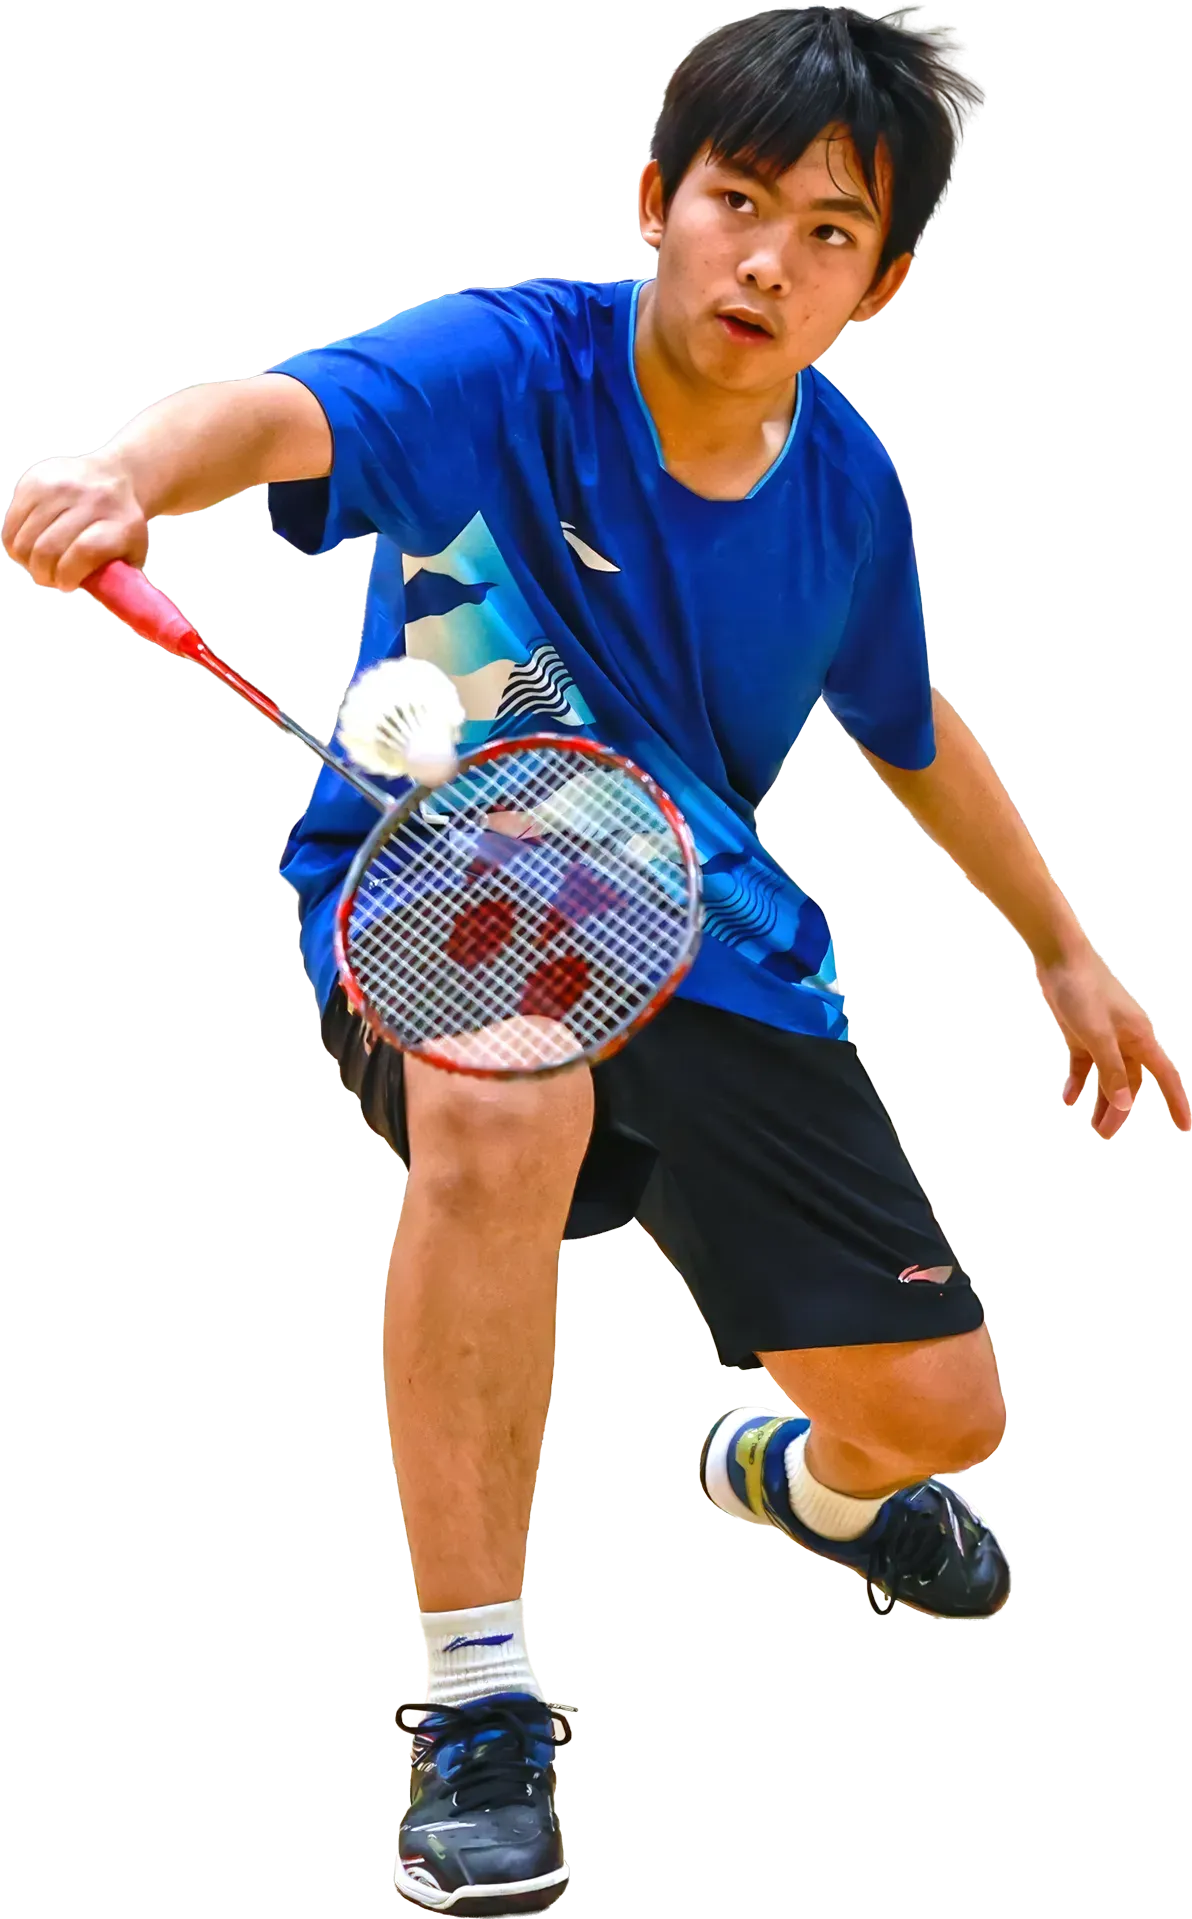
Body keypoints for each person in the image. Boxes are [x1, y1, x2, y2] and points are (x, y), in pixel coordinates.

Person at [7, 7, 1189, 1910]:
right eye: (739, 201)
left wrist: (1064, 949)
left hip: (699, 924)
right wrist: (121, 472)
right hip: (448, 879)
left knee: (940, 1412)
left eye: (828, 232)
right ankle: (480, 1701)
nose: (766, 261)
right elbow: (270, 413)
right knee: (503, 1097)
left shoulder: (847, 489)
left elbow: (907, 722)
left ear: (880, 286)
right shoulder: (507, 364)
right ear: (658, 200)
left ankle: (786, 1480)